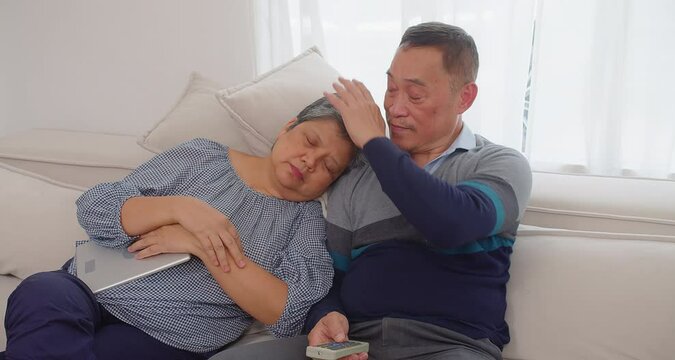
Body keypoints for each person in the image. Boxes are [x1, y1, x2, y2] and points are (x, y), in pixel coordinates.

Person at [212, 22, 532, 360]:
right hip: (355, 345)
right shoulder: (358, 177)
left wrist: (375, 143)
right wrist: (326, 316)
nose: (394, 108)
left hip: (450, 346)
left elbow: (450, 224)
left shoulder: (500, 164)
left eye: (415, 95)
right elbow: (332, 278)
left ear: (464, 97)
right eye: (391, 88)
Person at [1, 97, 358, 360]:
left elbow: (286, 311)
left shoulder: (305, 221)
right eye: (310, 142)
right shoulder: (202, 156)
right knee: (40, 290)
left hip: (169, 336)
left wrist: (203, 246)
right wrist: (180, 208)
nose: (310, 161)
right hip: (86, 291)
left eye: (328, 166)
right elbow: (96, 209)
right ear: (288, 127)